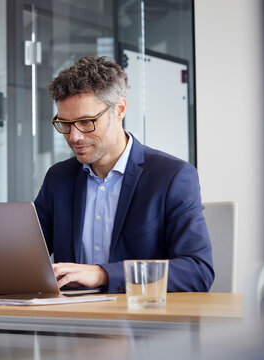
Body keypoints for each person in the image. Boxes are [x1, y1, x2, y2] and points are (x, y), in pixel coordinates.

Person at [35, 56, 214, 293]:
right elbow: (24, 258)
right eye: (65, 124)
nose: (74, 136)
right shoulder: (58, 179)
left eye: (86, 122)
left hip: (142, 322)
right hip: (71, 320)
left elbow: (197, 271)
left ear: (119, 110)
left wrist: (103, 274)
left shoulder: (172, 177)